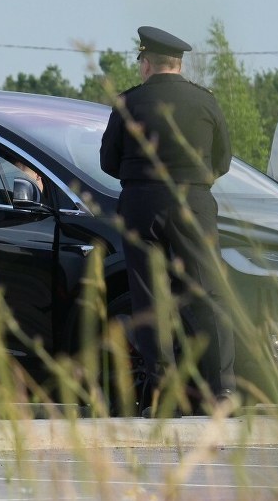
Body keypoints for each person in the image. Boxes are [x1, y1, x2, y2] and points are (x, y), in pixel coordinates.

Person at [99, 26, 235, 417]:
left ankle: (162, 397)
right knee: (209, 294)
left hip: (141, 202)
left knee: (150, 297)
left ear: (146, 63)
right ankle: (222, 392)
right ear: (178, 64)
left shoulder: (128, 103)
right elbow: (222, 161)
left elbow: (110, 162)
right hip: (193, 202)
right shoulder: (205, 102)